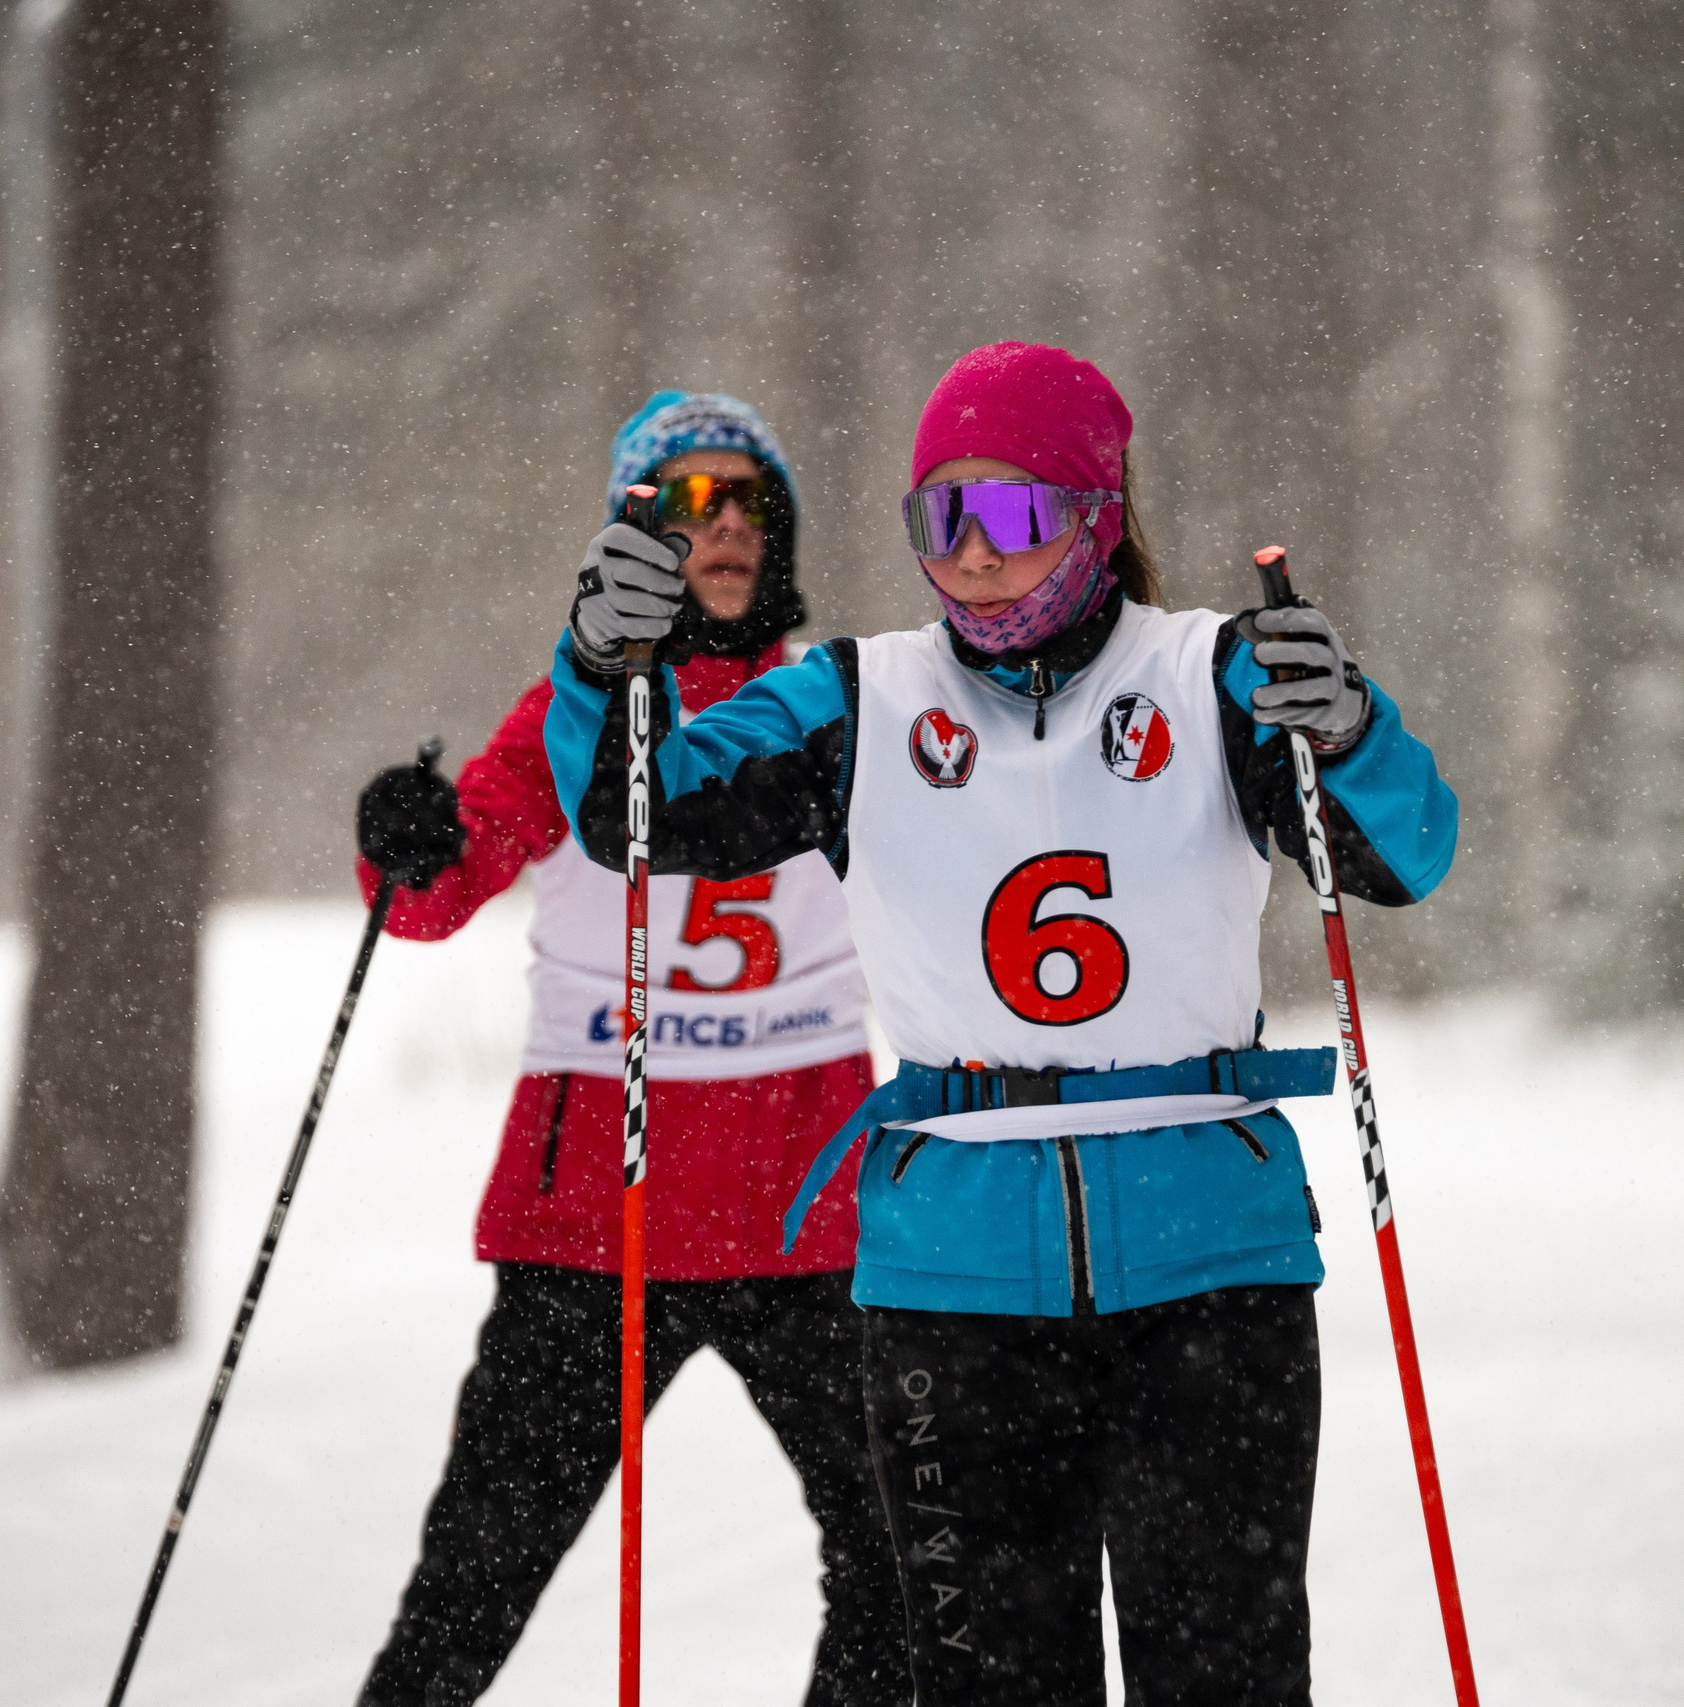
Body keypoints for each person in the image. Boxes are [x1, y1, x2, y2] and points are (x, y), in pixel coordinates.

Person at [548, 343, 1459, 1705]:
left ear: (1096, 516)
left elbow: (1397, 858)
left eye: (1015, 516)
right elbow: (646, 815)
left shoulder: (1211, 674)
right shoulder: (858, 697)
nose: (973, 556)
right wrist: (602, 660)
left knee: (1227, 1673)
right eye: (941, 518)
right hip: (951, 1290)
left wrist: (1350, 729)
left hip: (1211, 1269)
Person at [350, 392, 906, 1707]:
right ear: (629, 534)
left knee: (901, 1572)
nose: (720, 527)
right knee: (472, 1581)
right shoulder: (572, 713)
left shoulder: (840, 705)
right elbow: (430, 897)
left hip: (810, 1210)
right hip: (600, 1218)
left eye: (748, 500)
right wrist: (404, 837)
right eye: (684, 502)